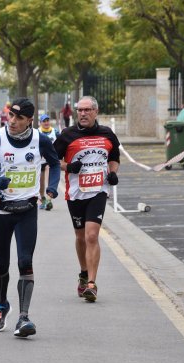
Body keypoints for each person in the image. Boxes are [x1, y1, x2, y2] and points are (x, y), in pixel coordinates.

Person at [0, 97, 60, 338]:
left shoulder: (39, 140)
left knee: (25, 261)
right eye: (11, 115)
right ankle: (2, 304)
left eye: (19, 118)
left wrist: (52, 186)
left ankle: (24, 317)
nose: (12, 121)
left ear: (30, 121)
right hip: (1, 211)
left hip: (27, 212)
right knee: (1, 264)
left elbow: (54, 162)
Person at [53, 96, 120, 302]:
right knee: (81, 237)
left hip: (98, 191)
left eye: (87, 110)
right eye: (79, 110)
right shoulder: (67, 135)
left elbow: (114, 158)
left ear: (95, 112)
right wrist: (68, 166)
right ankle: (83, 273)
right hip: (76, 193)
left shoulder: (107, 134)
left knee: (92, 236)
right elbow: (53, 159)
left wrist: (113, 172)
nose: (82, 113)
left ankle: (91, 283)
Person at [36, 114, 60, 211]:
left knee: (50, 177)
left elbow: (61, 143)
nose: (46, 123)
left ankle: (49, 199)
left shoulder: (55, 132)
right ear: (40, 123)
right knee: (41, 182)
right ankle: (42, 199)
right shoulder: (37, 132)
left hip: (51, 160)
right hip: (40, 161)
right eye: (44, 121)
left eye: (47, 121)